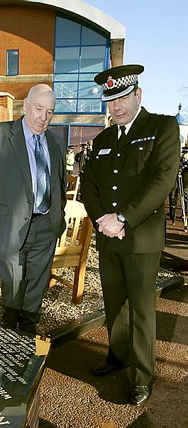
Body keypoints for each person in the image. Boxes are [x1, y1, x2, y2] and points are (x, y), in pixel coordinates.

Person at [81, 64, 180, 406]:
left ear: (138, 94)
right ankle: (117, 356)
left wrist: (122, 217)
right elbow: (89, 184)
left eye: (123, 97)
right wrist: (102, 220)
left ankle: (141, 376)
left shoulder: (162, 127)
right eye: (111, 100)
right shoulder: (103, 139)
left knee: (140, 309)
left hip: (140, 237)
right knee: (114, 304)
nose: (117, 106)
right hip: (108, 236)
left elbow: (164, 179)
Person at [0, 84, 67, 335]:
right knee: (13, 283)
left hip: (46, 226)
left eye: (50, 112)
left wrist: (59, 219)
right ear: (26, 104)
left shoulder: (57, 143)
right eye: (39, 108)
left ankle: (27, 330)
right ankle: (9, 331)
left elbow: (59, 183)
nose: (43, 117)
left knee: (37, 282)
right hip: (10, 226)